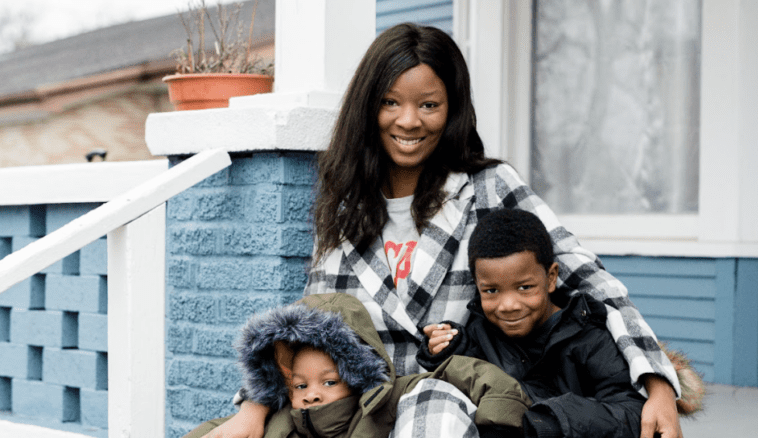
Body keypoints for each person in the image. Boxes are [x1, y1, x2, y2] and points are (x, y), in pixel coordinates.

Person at [188, 22, 683, 438]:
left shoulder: (488, 187)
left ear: (452, 111)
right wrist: (254, 406)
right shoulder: (342, 205)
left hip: (453, 399)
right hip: (358, 408)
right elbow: (313, 323)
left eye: (429, 104)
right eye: (390, 102)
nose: (409, 121)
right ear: (368, 108)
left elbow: (591, 282)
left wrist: (657, 382)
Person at [418, 209, 701, 437]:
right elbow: (473, 374)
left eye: (525, 287)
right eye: (491, 291)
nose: (508, 305)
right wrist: (448, 347)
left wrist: (554, 420)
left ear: (551, 277)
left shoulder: (589, 336)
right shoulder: (482, 333)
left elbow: (630, 412)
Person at [230, 293, 531, 438]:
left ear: (355, 376)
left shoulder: (383, 402)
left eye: (329, 381)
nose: (312, 394)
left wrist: (499, 421)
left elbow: (465, 372)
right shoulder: (280, 423)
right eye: (300, 385)